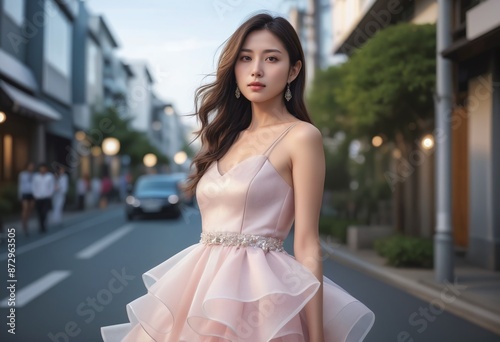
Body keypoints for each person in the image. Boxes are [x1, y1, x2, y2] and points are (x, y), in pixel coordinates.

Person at [101, 13, 375, 342]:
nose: (256, 69)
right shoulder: (222, 137)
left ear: (293, 70)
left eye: (271, 58)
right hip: (199, 288)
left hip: (261, 298)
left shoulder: (301, 137)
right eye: (245, 58)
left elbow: (306, 244)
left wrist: (316, 338)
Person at [32, 162, 55, 233]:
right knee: (39, 212)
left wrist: (50, 194)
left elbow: (52, 186)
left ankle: (44, 224)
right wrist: (35, 195)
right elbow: (33, 186)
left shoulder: (49, 176)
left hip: (46, 197)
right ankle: (41, 226)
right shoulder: (36, 176)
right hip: (38, 197)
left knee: (44, 212)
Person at [18, 162, 36, 237]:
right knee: (25, 209)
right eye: (30, 166)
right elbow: (20, 184)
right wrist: (19, 194)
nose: (31, 168)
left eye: (32, 167)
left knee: (30, 209)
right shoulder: (22, 174)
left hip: (32, 193)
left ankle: (26, 220)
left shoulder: (35, 175)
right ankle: (24, 223)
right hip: (25, 193)